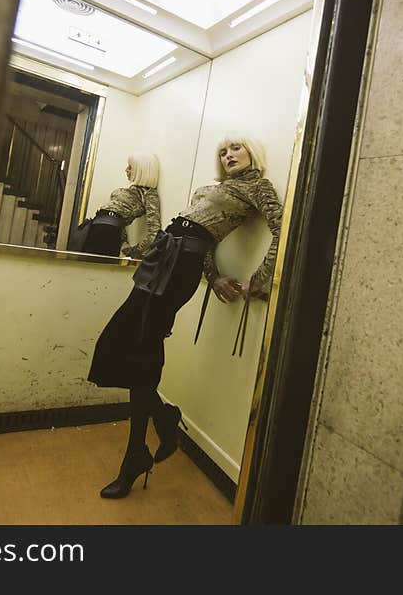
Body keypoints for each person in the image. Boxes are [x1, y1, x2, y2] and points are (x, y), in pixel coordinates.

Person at [86, 135, 283, 498]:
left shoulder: (259, 187)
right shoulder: (213, 187)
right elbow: (202, 242)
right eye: (223, 151)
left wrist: (262, 275)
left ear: (252, 153)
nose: (228, 155)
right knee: (124, 347)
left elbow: (282, 225)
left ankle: (141, 448)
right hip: (163, 258)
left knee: (138, 351)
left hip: (179, 267)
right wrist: (214, 275)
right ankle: (160, 422)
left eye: (235, 148)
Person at [78, 153, 161, 258]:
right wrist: (124, 241)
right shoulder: (133, 189)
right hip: (96, 225)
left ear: (141, 171)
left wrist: (134, 251)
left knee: (93, 268)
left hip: (108, 228)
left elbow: (155, 231)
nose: (126, 170)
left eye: (130, 167)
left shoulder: (149, 194)